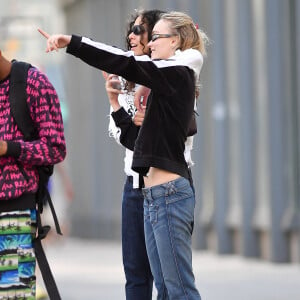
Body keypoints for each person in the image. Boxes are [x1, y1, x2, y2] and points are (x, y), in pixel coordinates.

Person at [38, 10, 206, 299]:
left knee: (179, 290)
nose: (148, 43)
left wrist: (72, 42)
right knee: (160, 287)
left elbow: (128, 61)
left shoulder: (179, 70)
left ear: (176, 41)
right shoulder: (157, 83)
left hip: (169, 193)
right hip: (150, 194)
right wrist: (117, 103)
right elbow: (133, 140)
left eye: (154, 36)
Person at [103, 9, 164, 300]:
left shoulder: (172, 75)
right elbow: (120, 136)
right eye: (132, 29)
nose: (131, 35)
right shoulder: (126, 82)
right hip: (134, 185)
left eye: (139, 30)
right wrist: (115, 101)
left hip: (165, 186)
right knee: (136, 274)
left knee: (167, 275)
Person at [0, 50, 66, 298]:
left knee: (14, 294)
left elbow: (56, 148)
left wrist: (9, 147)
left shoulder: (34, 84)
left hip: (14, 208)